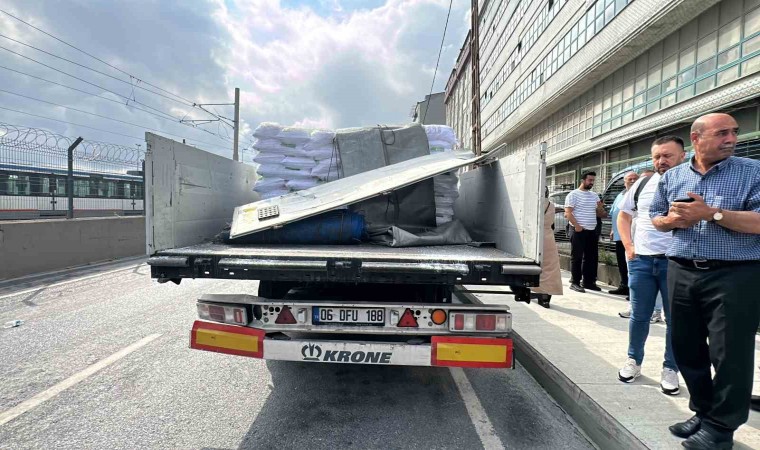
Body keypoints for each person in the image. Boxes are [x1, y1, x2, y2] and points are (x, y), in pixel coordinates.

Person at [650, 113, 760, 450]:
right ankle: (703, 411)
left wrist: (711, 214)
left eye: (734, 132)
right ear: (696, 138)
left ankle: (721, 428)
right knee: (686, 346)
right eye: (722, 133)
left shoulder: (752, 172)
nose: (731, 139)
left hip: (734, 274)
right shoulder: (674, 176)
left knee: (730, 353)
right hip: (681, 269)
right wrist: (671, 220)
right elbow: (655, 216)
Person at [616, 136, 685, 396]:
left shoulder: (690, 182)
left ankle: (670, 369)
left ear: (683, 156)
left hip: (675, 262)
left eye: (667, 155)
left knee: (675, 320)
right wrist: (629, 246)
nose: (661, 161)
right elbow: (624, 216)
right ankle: (633, 360)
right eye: (657, 156)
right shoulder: (643, 183)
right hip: (642, 261)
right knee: (639, 315)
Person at [564, 171, 608, 293]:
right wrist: (577, 226)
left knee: (591, 257)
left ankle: (588, 282)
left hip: (592, 230)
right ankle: (575, 282)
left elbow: (600, 214)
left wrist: (600, 207)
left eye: (593, 180)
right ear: (583, 180)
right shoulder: (573, 195)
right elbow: (568, 213)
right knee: (577, 257)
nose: (592, 183)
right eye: (590, 180)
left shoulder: (594, 196)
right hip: (578, 230)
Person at [609, 171, 639, 296]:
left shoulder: (639, 194)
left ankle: (633, 290)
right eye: (629, 179)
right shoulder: (620, 195)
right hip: (619, 234)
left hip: (632, 236)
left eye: (635, 178)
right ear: (624, 182)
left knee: (632, 263)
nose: (632, 181)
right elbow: (615, 213)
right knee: (622, 262)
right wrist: (613, 229)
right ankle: (624, 285)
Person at [532, 187, 563, 308]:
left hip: (534, 236)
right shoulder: (551, 205)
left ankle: (534, 289)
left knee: (534, 265)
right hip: (548, 238)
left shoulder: (533, 204)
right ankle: (546, 297)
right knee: (550, 267)